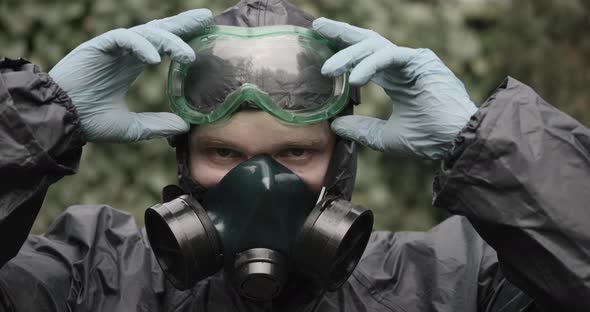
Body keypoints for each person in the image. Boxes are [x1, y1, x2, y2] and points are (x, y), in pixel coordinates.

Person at [0, 1, 589, 311]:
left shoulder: (456, 284)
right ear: (183, 157)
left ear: (343, 157)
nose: (261, 183)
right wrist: (33, 121)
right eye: (225, 152)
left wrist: (481, 142)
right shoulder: (88, 275)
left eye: (298, 151)